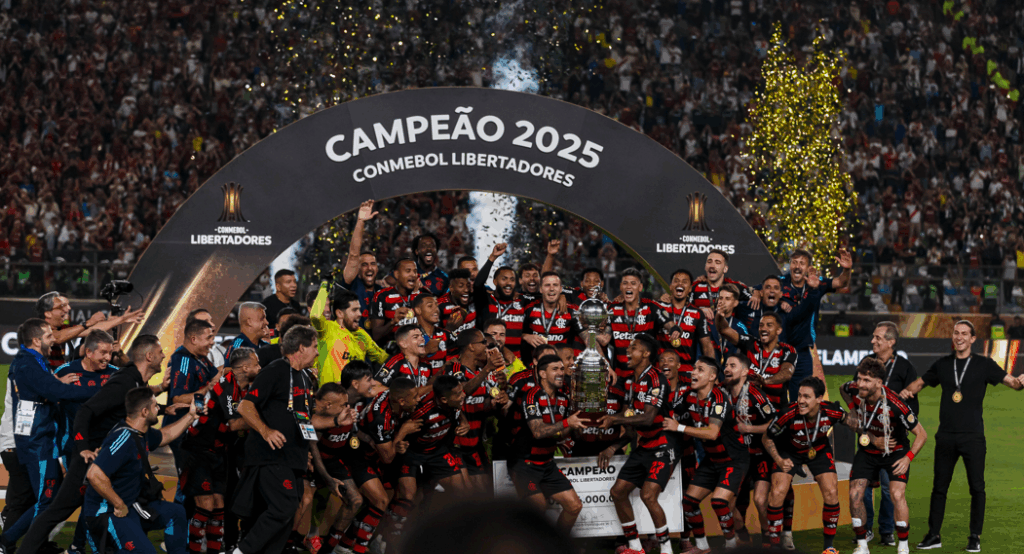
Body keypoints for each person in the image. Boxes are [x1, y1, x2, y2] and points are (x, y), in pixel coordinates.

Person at [17, 335, 172, 554]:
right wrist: (83, 449)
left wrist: (166, 409)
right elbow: (86, 410)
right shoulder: (125, 381)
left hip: (110, 458)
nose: (163, 355)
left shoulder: (136, 381)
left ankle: (80, 547)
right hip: (92, 458)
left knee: (125, 503)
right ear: (149, 356)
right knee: (59, 509)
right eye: (159, 352)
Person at [899, 320, 1024, 553]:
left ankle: (974, 536)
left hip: (973, 436)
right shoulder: (943, 365)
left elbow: (1012, 383)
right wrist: (903, 394)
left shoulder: (984, 365)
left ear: (973, 338)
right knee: (939, 488)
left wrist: (1020, 383)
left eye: (964, 334)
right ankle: (933, 534)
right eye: (956, 333)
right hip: (945, 436)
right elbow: (919, 384)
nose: (959, 337)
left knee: (977, 487)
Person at [232, 325, 351, 554]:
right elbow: (245, 406)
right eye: (315, 347)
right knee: (283, 508)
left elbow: (307, 420)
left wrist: (336, 421)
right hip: (272, 456)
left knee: (287, 516)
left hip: (293, 459)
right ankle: (240, 552)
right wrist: (266, 431)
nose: (318, 352)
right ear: (301, 347)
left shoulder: (304, 378)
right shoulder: (275, 370)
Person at [1, 319, 94, 550]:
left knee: (48, 498)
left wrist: (54, 384)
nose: (54, 339)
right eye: (49, 336)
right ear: (36, 340)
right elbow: (56, 391)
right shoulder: (28, 364)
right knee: (46, 501)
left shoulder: (33, 361)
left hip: (40, 440)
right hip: (36, 443)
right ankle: (8, 542)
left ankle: (13, 541)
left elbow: (47, 389)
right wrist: (100, 392)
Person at [82, 387, 199, 554]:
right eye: (155, 405)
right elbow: (94, 474)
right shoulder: (123, 438)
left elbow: (165, 436)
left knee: (176, 512)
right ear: (145, 412)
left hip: (131, 505)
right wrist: (118, 503)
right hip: (108, 512)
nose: (159, 408)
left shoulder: (141, 433)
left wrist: (190, 416)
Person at [179, 346, 262, 554]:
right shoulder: (227, 387)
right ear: (244, 367)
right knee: (206, 504)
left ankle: (215, 550)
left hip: (218, 452)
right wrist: (263, 422)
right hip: (199, 451)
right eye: (257, 364)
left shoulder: (244, 388)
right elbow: (234, 424)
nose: (260, 368)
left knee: (218, 505)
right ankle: (194, 550)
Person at [841, 358, 928, 554]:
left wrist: (908, 458)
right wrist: (853, 411)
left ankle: (903, 546)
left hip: (895, 452)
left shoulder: (896, 404)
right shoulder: (854, 389)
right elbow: (842, 389)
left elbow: (922, 434)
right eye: (860, 379)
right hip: (868, 452)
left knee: (897, 495)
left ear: (879, 383)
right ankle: (862, 546)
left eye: (866, 380)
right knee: (855, 495)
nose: (860, 384)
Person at [597, 335, 673, 554]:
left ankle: (667, 549)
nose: (627, 351)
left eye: (634, 348)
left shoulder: (656, 379)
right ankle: (635, 547)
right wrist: (613, 446)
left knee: (648, 495)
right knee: (618, 492)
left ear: (646, 354)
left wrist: (614, 419)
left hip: (663, 445)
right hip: (644, 445)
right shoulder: (633, 382)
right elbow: (632, 422)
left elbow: (648, 418)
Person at [664, 357, 747, 554]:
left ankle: (732, 546)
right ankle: (702, 548)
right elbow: (673, 415)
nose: (693, 372)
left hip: (733, 460)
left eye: (700, 370)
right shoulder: (689, 396)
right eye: (693, 368)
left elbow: (712, 433)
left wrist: (680, 427)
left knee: (719, 502)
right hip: (712, 460)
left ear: (711, 376)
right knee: (689, 503)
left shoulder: (719, 399)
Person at [761, 376, 850, 554]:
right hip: (788, 451)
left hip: (818, 450)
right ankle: (775, 545)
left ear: (819, 399)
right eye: (800, 396)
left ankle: (828, 547)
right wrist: (779, 460)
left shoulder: (831, 411)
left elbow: (850, 421)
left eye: (807, 397)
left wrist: (870, 434)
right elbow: (767, 437)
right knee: (777, 493)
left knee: (831, 492)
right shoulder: (787, 413)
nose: (801, 401)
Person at [859, 321, 919, 545]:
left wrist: (896, 433)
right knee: (863, 485)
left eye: (878, 338)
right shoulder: (866, 363)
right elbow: (856, 395)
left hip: (892, 441)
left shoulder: (904, 367)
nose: (873, 341)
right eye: (873, 337)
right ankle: (865, 529)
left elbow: (914, 406)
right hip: (869, 435)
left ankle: (886, 531)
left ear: (891, 342)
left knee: (887, 488)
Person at [513, 356, 585, 533]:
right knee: (538, 510)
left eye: (562, 369)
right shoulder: (531, 396)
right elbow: (538, 431)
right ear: (542, 373)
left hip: (547, 463)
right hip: (525, 464)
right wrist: (568, 423)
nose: (561, 373)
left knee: (574, 506)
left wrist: (578, 427)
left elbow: (562, 431)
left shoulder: (564, 399)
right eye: (555, 369)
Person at [773, 249, 852, 405]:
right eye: (794, 262)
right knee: (775, 396)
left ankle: (798, 427)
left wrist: (847, 269)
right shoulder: (779, 282)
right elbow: (759, 290)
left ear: (808, 267)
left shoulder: (817, 282)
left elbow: (841, 282)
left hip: (802, 351)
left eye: (802, 263)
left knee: (802, 399)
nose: (797, 266)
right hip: (778, 350)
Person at [720, 354, 776, 549]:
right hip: (735, 458)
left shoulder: (756, 394)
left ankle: (767, 537)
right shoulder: (720, 392)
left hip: (759, 455)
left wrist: (749, 429)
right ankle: (742, 531)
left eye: (732, 366)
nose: (727, 369)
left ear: (745, 372)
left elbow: (775, 424)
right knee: (727, 504)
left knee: (760, 500)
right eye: (726, 365)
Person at [446, 329, 507, 493]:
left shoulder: (481, 373)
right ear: (471, 347)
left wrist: (495, 403)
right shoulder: (454, 369)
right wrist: (487, 369)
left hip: (474, 443)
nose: (487, 347)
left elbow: (482, 405)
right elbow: (462, 391)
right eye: (483, 343)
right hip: (455, 445)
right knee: (465, 494)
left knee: (484, 492)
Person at [165, 318, 220, 469]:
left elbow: (216, 377)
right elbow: (178, 398)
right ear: (194, 339)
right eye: (209, 337)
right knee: (189, 481)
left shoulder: (201, 358)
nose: (212, 342)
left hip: (196, 429)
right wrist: (206, 389)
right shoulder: (182, 360)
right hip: (182, 432)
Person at [35, 291, 143, 367]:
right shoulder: (37, 330)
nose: (67, 309)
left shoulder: (62, 329)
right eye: (61, 307)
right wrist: (88, 323)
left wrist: (121, 319)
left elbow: (93, 328)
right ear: (48, 313)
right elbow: (56, 337)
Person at [715, 311, 797, 408]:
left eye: (769, 325)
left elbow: (787, 373)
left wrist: (766, 381)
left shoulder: (787, 350)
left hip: (777, 408)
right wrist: (720, 315)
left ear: (778, 330)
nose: (763, 329)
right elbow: (724, 330)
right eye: (761, 325)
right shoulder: (750, 343)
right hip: (750, 407)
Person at [310, 284, 388, 386]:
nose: (360, 314)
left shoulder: (361, 334)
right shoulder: (327, 329)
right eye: (354, 310)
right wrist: (324, 286)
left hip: (357, 399)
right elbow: (315, 316)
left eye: (359, 309)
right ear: (340, 313)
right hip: (331, 397)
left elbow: (384, 359)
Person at [608, 268, 667, 380]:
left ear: (640, 287)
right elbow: (599, 337)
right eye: (625, 283)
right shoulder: (611, 309)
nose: (629, 286)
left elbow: (669, 323)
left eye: (633, 283)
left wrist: (674, 329)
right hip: (619, 377)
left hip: (646, 377)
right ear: (621, 287)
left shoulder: (651, 307)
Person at [656, 269, 715, 379]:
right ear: (670, 286)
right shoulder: (658, 308)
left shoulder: (697, 313)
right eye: (676, 281)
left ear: (689, 289)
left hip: (686, 370)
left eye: (684, 281)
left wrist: (711, 372)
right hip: (660, 370)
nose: (680, 284)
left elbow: (707, 345)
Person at [472, 243, 526, 357]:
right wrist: (492, 258)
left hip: (515, 360)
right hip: (487, 357)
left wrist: (562, 296)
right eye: (504, 279)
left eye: (512, 279)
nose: (508, 283)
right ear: (495, 282)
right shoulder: (486, 299)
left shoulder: (521, 300)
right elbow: (477, 284)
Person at [521, 272, 583, 362]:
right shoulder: (529, 308)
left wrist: (604, 361)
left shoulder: (572, 311)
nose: (551, 289)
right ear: (541, 289)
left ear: (561, 289)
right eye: (547, 285)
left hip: (561, 366)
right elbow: (511, 332)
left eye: (555, 285)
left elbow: (589, 336)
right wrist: (525, 336)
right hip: (535, 365)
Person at [338, 200, 381, 323]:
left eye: (373, 264)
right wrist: (361, 221)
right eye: (364, 265)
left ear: (377, 268)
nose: (369, 268)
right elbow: (353, 255)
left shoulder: (381, 291)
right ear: (358, 270)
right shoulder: (352, 284)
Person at [370, 258, 421, 344]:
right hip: (391, 352)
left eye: (415, 271)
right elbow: (376, 336)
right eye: (408, 271)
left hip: (418, 352)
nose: (413, 275)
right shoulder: (382, 297)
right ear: (397, 274)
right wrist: (393, 322)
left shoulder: (422, 296)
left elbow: (429, 332)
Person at [687, 250, 751, 310]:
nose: (712, 265)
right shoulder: (694, 287)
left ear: (725, 269)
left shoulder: (736, 287)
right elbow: (682, 308)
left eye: (717, 262)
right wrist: (700, 311)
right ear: (705, 266)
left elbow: (755, 297)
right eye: (709, 262)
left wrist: (756, 293)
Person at [412, 294, 453, 372]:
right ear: (418, 310)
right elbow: (403, 361)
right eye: (430, 306)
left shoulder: (446, 334)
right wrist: (425, 350)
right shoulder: (409, 335)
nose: (436, 309)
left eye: (437, 306)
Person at [438, 268, 476, 339]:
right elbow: (432, 338)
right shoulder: (439, 306)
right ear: (451, 288)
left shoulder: (476, 300)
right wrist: (449, 329)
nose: (466, 290)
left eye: (468, 286)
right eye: (461, 286)